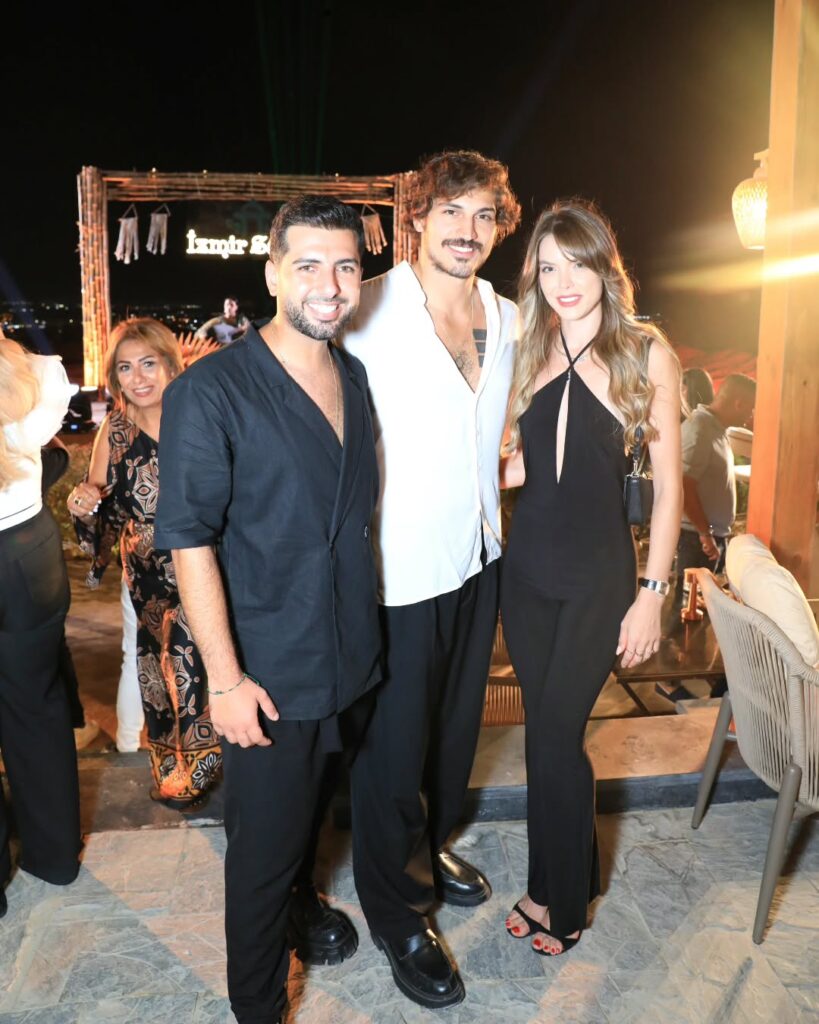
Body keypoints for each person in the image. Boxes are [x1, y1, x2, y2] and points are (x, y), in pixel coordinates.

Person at [154, 195, 382, 1024]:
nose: (331, 284)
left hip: (352, 658)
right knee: (259, 856)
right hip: (268, 674)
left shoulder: (352, 375)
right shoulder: (211, 391)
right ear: (272, 274)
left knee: (311, 817)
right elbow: (187, 540)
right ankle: (258, 1007)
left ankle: (301, 906)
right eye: (309, 265)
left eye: (346, 266)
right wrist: (225, 681)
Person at [342, 150, 521, 1009]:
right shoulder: (367, 306)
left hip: (479, 553)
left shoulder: (507, 315)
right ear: (413, 216)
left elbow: (498, 423)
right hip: (398, 564)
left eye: (483, 214)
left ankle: (431, 839)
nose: (466, 229)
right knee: (392, 747)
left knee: (455, 732)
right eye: (449, 210)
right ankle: (399, 915)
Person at [499, 200, 682, 955]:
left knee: (553, 736)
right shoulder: (527, 348)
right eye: (548, 267)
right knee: (545, 737)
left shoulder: (645, 352)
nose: (563, 281)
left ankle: (561, 902)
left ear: (605, 266)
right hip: (525, 575)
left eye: (576, 263)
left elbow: (669, 491)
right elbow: (522, 470)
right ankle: (574, 871)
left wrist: (651, 596)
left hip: (599, 579)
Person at [67, 319, 221, 808]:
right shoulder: (114, 431)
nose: (138, 378)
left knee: (199, 660)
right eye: (125, 368)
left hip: (210, 562)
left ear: (170, 364)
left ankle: (212, 761)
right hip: (149, 575)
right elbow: (101, 504)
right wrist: (83, 505)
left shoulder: (200, 414)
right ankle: (175, 768)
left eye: (148, 363)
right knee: (158, 668)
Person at [0, 334, 81, 918]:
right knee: (36, 706)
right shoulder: (26, 370)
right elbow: (54, 447)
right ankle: (54, 857)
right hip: (28, 550)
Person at [677, 372, 756, 585]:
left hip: (708, 537)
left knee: (704, 599)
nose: (750, 415)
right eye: (750, 408)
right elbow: (684, 485)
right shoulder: (699, 429)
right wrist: (705, 533)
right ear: (739, 404)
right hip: (696, 538)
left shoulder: (717, 429)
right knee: (690, 601)